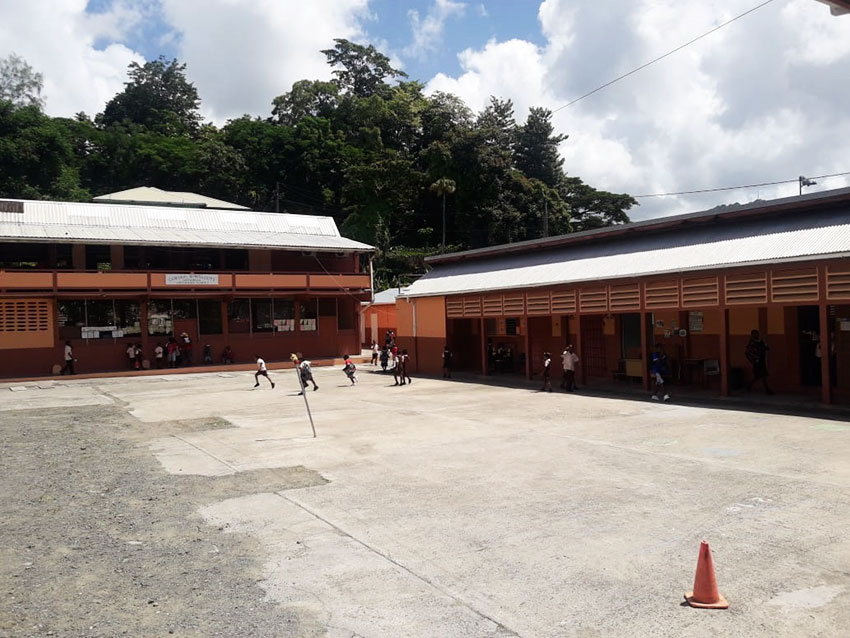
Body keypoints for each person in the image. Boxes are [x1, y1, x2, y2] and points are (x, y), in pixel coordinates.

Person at [745, 329, 773, 395]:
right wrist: (754, 360)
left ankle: (749, 385)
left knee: (760, 376)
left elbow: (767, 348)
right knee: (762, 376)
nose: (757, 335)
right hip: (757, 362)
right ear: (752, 335)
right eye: (755, 334)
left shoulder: (760, 342)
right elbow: (748, 353)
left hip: (762, 361)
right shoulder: (752, 343)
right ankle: (767, 390)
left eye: (757, 333)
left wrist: (765, 345)